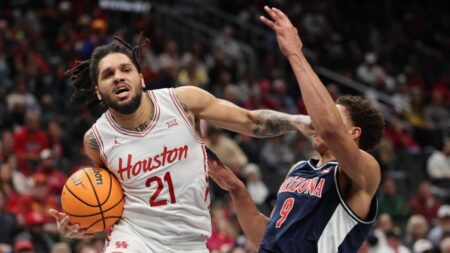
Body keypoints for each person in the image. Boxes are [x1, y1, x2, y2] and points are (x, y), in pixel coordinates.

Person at [48, 34, 313, 252]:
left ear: (140, 78)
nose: (118, 76)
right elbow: (104, 199)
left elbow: (251, 122)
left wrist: (297, 121)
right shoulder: (96, 139)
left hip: (191, 240)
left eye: (125, 69)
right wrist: (83, 222)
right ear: (98, 91)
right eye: (108, 74)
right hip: (135, 238)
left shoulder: (183, 102)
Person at [208, 6, 384, 252]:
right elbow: (267, 239)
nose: (317, 118)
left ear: (354, 132)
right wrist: (237, 190)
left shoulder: (366, 170)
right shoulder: (300, 169)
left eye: (332, 113)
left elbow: (331, 129)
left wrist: (295, 54)